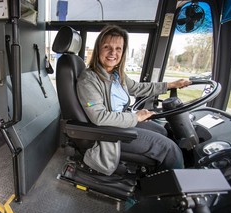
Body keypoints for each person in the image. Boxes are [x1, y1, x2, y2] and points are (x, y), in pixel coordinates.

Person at [76, 25, 191, 174]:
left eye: (118, 48)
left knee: (162, 131)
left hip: (122, 122)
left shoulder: (116, 75)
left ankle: (154, 174)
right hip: (109, 133)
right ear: (98, 49)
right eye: (107, 47)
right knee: (169, 149)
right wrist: (135, 117)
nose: (113, 53)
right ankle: (172, 191)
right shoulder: (89, 80)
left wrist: (170, 85)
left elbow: (138, 88)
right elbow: (99, 117)